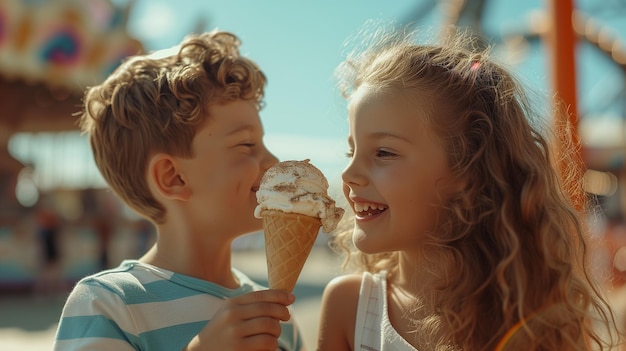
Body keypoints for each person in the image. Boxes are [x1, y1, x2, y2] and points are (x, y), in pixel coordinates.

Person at [317, 26, 619, 351]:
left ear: (465, 167)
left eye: (383, 153)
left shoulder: (531, 321)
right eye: (352, 152)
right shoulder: (350, 307)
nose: (349, 174)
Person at [54, 30, 304, 351]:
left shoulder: (275, 314)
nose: (273, 162)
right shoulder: (108, 304)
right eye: (246, 145)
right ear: (173, 178)